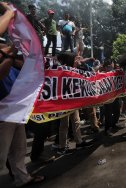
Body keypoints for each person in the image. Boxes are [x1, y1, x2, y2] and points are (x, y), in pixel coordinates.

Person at [0, 3, 45, 186]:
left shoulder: (9, 54)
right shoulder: (7, 54)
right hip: (3, 111)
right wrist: (10, 13)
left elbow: (27, 64)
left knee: (19, 148)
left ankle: (22, 177)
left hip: (15, 108)